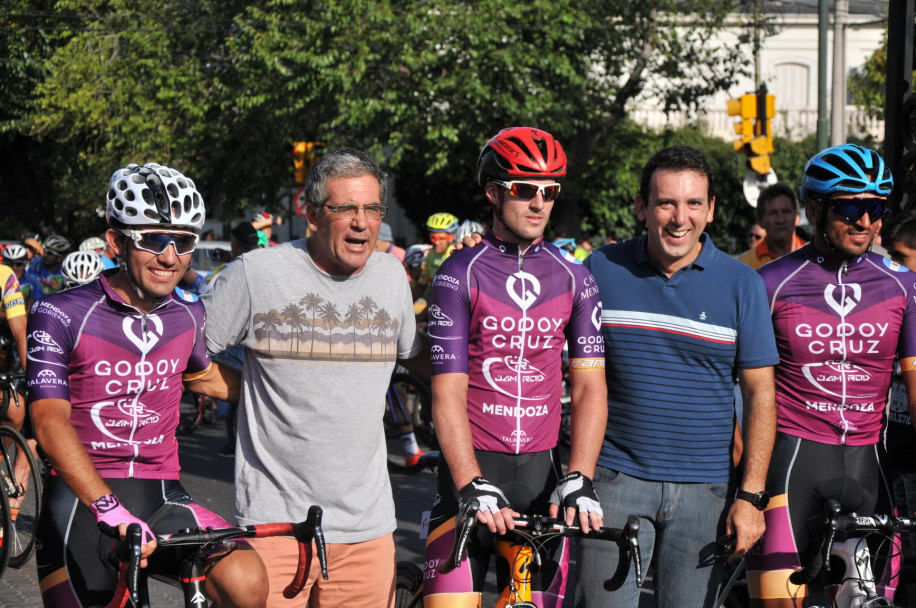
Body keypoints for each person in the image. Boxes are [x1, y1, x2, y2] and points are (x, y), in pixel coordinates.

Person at [27, 162, 267, 608]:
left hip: (162, 494)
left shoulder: (188, 314)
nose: (170, 256)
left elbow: (208, 379)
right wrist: (108, 507)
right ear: (117, 242)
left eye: (183, 241)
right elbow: (47, 421)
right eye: (153, 239)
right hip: (84, 504)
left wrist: (294, 386)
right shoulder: (61, 313)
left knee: (246, 580)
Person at [201, 147, 428, 607]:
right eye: (345, 208)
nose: (362, 222)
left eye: (372, 208)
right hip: (275, 527)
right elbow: (182, 359)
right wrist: (257, 391)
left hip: (368, 532)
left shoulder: (391, 277)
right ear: (311, 214)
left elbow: (418, 359)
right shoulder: (256, 274)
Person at [575, 144, 779, 608]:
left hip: (706, 494)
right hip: (614, 481)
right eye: (666, 202)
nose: (678, 217)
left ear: (710, 210)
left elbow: (762, 396)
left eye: (692, 203)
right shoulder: (601, 269)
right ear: (642, 207)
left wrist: (750, 496)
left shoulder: (741, 283)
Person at [422, 127, 607, 608]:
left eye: (549, 191)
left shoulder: (575, 276)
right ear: (493, 191)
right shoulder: (459, 273)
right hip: (472, 469)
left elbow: (589, 388)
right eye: (525, 189)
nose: (539, 203)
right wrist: (468, 479)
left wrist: (581, 476)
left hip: (541, 476)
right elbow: (446, 391)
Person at [748, 144, 915, 607]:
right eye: (851, 208)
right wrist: (743, 489)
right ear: (815, 208)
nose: (866, 222)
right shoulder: (769, 282)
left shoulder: (903, 284)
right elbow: (741, 395)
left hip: (869, 471)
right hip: (789, 472)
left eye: (876, 207)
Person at [882, 212, 916, 560]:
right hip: (894, 457)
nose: (894, 267)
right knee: (899, 558)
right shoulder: (896, 304)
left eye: (901, 257)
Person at [737, 183, 806, 270]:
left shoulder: (814, 257)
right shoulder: (744, 264)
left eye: (786, 211)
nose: (780, 220)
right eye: (772, 213)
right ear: (760, 221)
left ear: (797, 217)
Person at [412, 211, 459, 303]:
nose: (436, 242)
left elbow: (445, 296)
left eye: (441, 239)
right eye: (433, 237)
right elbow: (421, 286)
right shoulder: (431, 254)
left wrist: (420, 317)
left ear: (452, 237)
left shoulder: (454, 255)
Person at [25, 233, 71, 298]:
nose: (45, 255)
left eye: (50, 253)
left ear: (60, 258)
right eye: (45, 251)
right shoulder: (36, 263)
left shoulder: (67, 272)